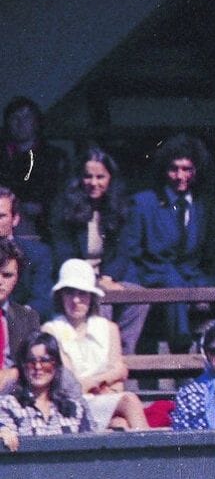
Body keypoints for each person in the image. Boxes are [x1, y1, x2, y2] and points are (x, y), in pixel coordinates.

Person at [119, 133, 215, 351]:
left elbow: (212, 255)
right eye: (174, 169)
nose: (180, 176)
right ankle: (181, 345)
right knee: (172, 280)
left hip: (192, 276)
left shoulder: (203, 206)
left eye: (187, 169)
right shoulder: (144, 203)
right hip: (152, 274)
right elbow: (130, 252)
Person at [49, 147, 149, 355]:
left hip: (108, 276)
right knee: (101, 300)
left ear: (110, 178)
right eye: (88, 176)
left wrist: (109, 277)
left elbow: (123, 250)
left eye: (100, 177)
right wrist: (92, 280)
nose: (94, 183)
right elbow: (64, 252)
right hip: (77, 276)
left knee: (139, 297)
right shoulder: (63, 207)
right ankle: (97, 355)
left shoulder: (121, 207)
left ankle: (122, 353)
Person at [41, 258, 151, 431]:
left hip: (106, 400)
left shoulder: (109, 329)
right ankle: (151, 452)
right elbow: (71, 386)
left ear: (91, 297)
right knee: (130, 401)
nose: (76, 300)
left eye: (82, 293)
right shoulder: (51, 331)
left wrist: (110, 389)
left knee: (121, 424)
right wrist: (106, 377)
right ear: (60, 296)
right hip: (69, 403)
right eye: (70, 293)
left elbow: (119, 383)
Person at [0, 332, 93, 452]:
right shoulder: (7, 406)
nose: (38, 367)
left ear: (56, 364)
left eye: (45, 360)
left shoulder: (75, 409)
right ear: (23, 366)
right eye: (31, 361)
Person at [0, 97, 68, 239]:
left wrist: (43, 207)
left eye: (26, 117)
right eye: (15, 117)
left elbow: (63, 196)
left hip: (43, 228)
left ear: (36, 122)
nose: (21, 122)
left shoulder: (55, 157)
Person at [0, 186, 54, 320]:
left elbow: (42, 301)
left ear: (15, 219)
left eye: (1, 216)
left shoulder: (37, 254)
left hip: (20, 326)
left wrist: (14, 320)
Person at [0, 238, 42, 394]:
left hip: (16, 396)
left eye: (7, 275)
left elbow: (36, 363)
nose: (0, 281)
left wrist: (14, 373)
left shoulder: (28, 317)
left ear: (16, 278)